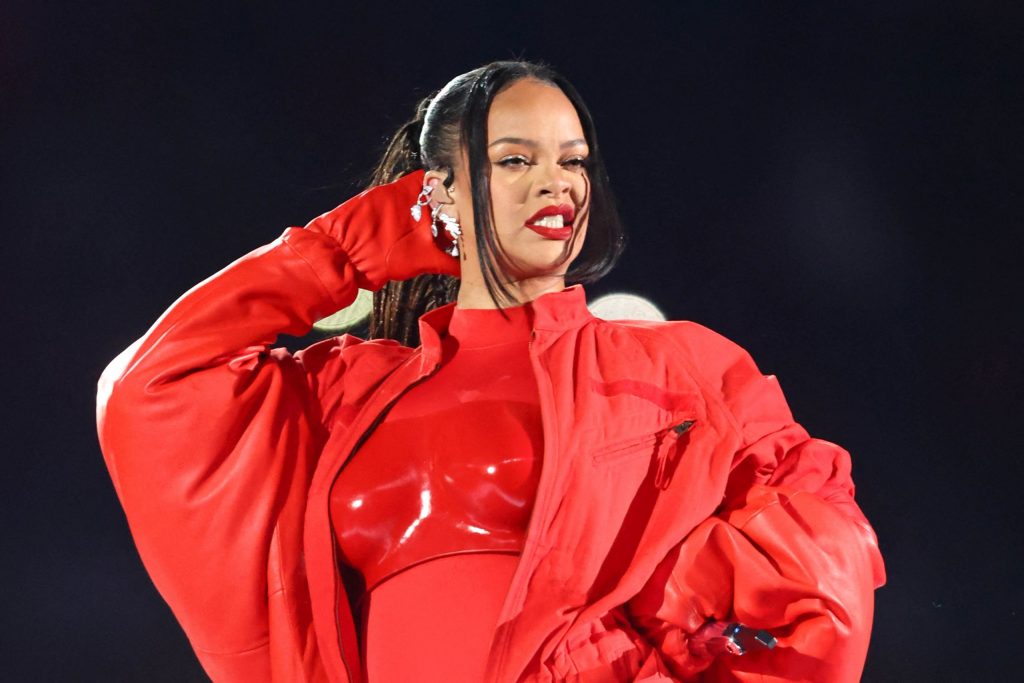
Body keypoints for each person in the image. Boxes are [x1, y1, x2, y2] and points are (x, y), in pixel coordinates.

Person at [96, 61, 885, 682]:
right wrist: (349, 248)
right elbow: (154, 385)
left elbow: (826, 554)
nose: (556, 183)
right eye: (515, 159)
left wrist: (678, 594)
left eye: (573, 161)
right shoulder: (346, 391)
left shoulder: (676, 366)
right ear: (438, 191)